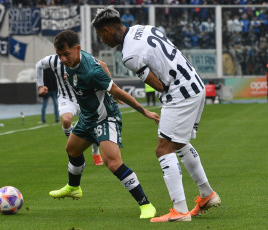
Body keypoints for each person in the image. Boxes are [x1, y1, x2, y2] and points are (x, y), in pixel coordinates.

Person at [92, 6, 221, 223]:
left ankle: (180, 210)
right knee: (179, 143)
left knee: (163, 149)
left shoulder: (129, 55)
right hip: (194, 84)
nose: (101, 41)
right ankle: (207, 194)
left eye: (100, 35)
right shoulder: (144, 29)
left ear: (106, 30)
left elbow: (159, 86)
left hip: (179, 94)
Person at [49, 30, 160, 219]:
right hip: (87, 118)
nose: (63, 59)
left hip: (105, 118)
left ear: (78, 49)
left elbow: (117, 89)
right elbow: (103, 64)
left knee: (112, 162)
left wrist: (144, 111)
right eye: (59, 55)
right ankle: (74, 188)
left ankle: (146, 204)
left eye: (66, 54)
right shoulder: (73, 61)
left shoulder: (90, 71)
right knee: (72, 150)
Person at [36, 55, 103, 165]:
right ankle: (75, 146)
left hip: (84, 97)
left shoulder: (83, 57)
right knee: (66, 121)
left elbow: (99, 68)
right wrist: (40, 85)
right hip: (65, 97)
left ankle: (95, 151)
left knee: (93, 126)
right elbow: (38, 65)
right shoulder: (53, 60)